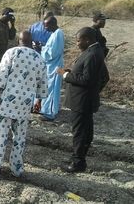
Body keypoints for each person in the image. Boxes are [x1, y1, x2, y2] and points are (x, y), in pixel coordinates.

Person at [0, 31, 48, 178]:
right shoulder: (39, 58)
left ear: (18, 40)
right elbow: (43, 83)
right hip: (25, 105)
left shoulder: (12, 52)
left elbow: (2, 75)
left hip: (7, 103)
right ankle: (16, 169)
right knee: (19, 138)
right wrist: (39, 101)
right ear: (31, 42)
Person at [56, 27, 109, 173]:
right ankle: (79, 159)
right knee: (85, 132)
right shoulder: (95, 51)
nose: (77, 44)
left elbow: (86, 79)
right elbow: (104, 77)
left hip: (81, 101)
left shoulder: (92, 54)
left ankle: (77, 163)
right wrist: (94, 91)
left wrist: (66, 75)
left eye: (79, 41)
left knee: (80, 132)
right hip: (85, 100)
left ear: (87, 40)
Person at [34, 16, 64, 121]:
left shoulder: (59, 34)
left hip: (55, 68)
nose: (45, 29)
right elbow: (50, 48)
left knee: (52, 89)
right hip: (50, 67)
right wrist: (42, 45)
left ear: (52, 24)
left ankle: (49, 112)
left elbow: (53, 53)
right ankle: (42, 108)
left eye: (46, 26)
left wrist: (40, 48)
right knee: (46, 87)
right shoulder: (54, 34)